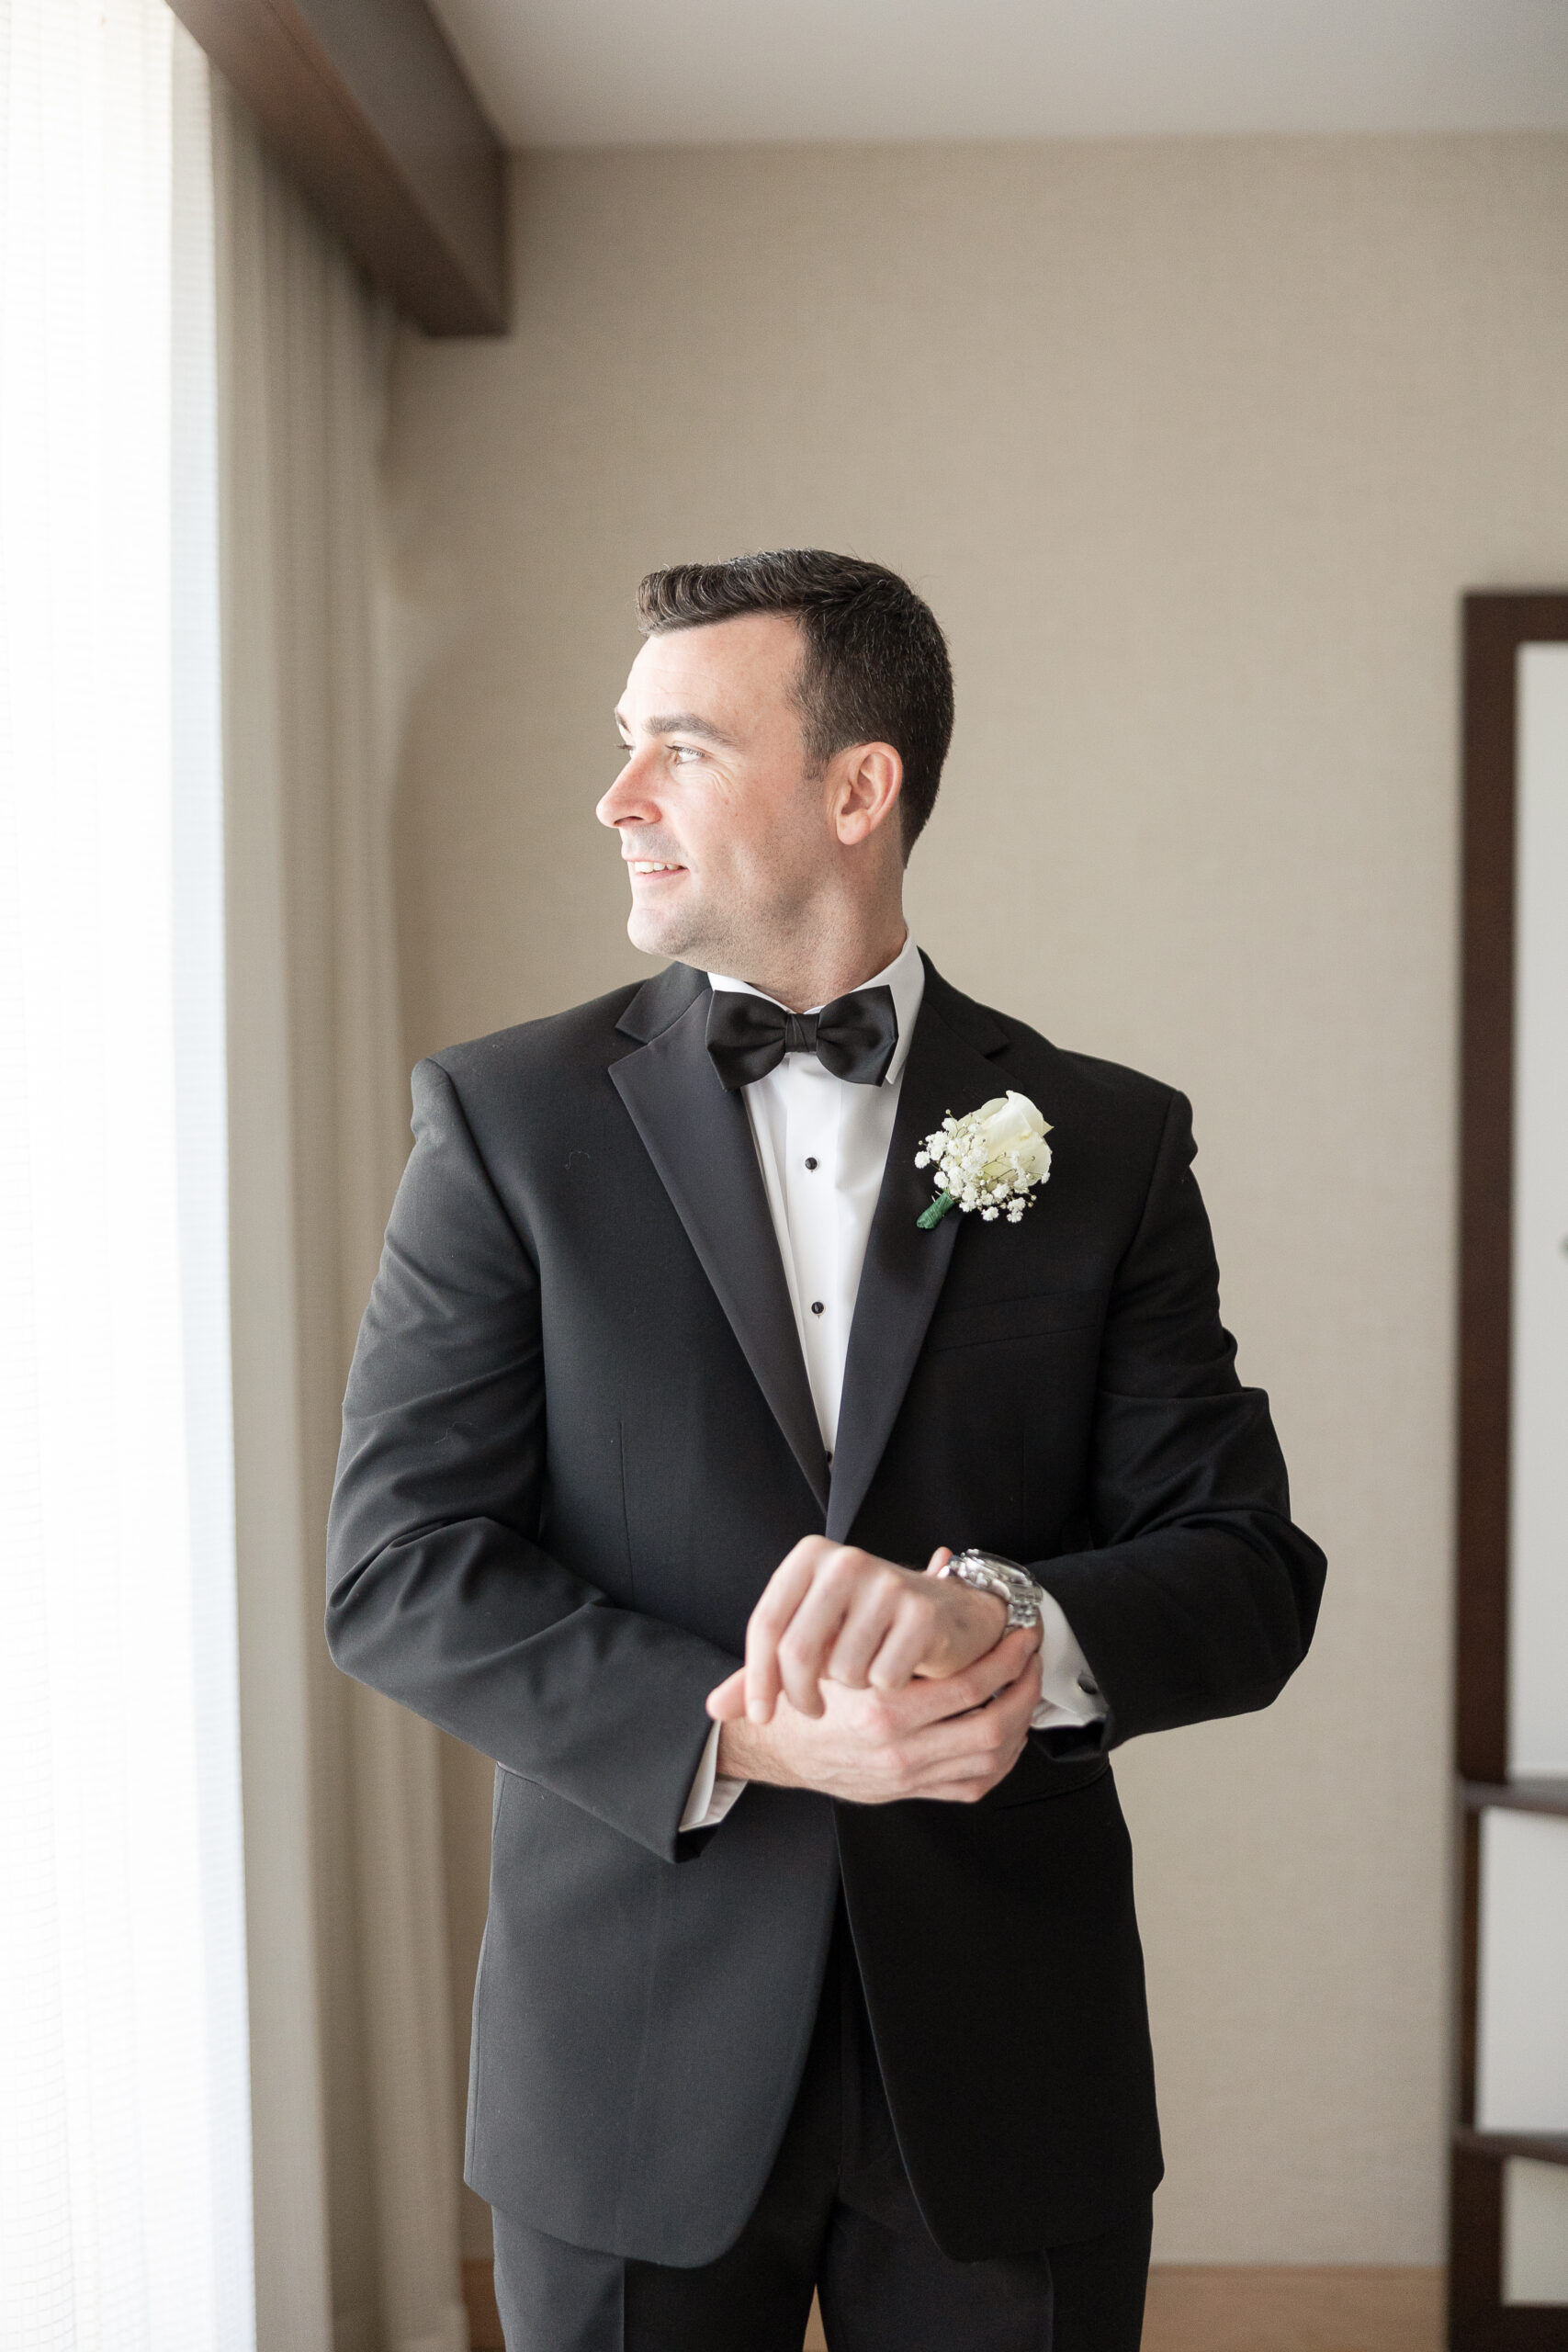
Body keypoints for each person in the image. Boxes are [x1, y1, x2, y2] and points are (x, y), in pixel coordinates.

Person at [326, 548, 1325, 2352]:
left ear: (855, 787)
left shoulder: (1095, 1139)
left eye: (681, 748)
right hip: (623, 2051)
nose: (615, 796)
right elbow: (398, 1570)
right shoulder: (502, 1124)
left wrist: (1007, 1631)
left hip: (1006, 2060)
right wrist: (733, 1721)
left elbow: (1245, 1567)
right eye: (622, 744)